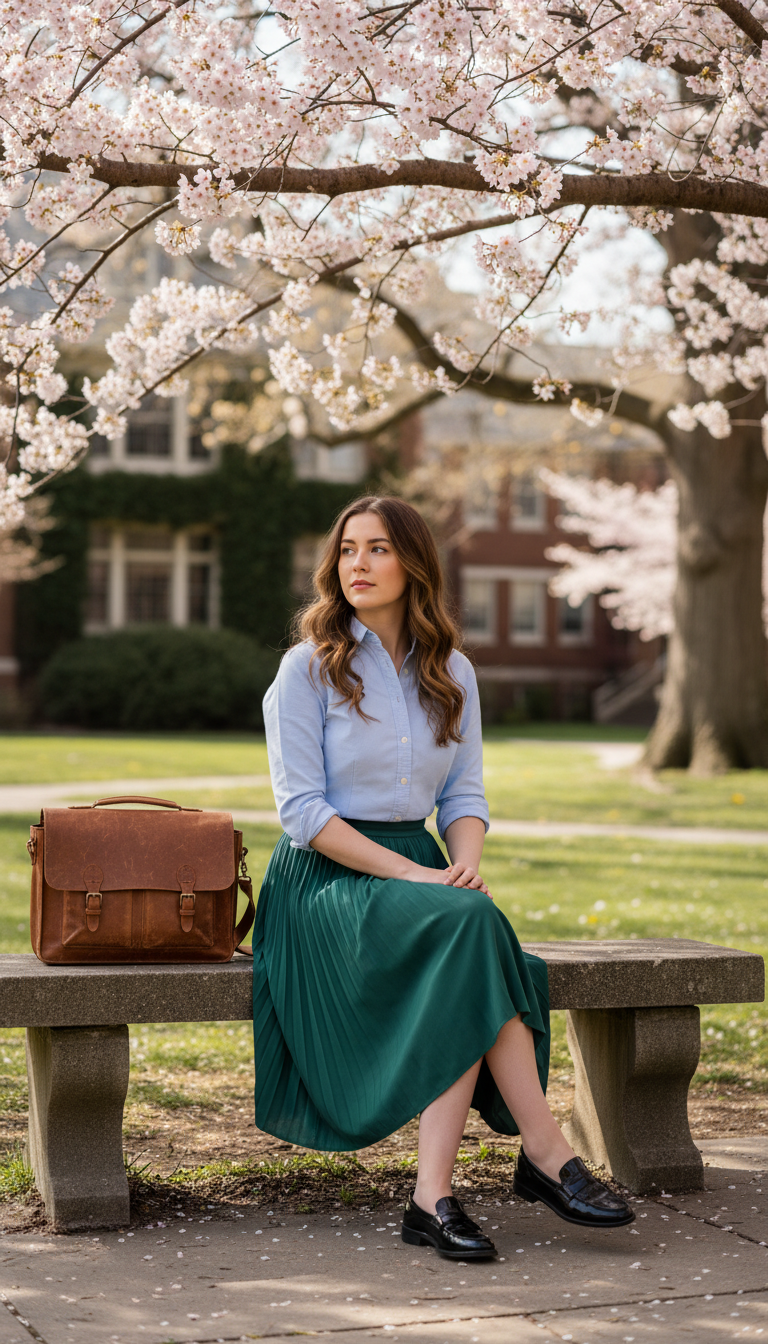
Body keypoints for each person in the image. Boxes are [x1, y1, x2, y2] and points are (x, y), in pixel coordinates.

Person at [253, 494, 633, 1259]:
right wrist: (413, 878)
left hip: (420, 873)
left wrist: (459, 867)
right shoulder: (307, 668)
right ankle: (546, 1154)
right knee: (475, 937)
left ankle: (435, 1198)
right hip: (325, 883)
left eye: (379, 549)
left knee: (469, 935)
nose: (356, 563)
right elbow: (300, 812)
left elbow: (463, 794)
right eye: (348, 549)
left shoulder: (451, 669)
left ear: (415, 563)